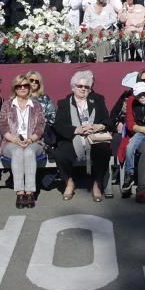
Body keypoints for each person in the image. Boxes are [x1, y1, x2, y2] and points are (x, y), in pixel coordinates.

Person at [53, 70, 111, 202]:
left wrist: (98, 126)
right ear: (73, 87)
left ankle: (97, 184)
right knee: (60, 154)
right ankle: (69, 182)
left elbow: (107, 121)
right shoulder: (64, 103)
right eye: (80, 86)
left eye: (86, 87)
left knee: (104, 150)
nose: (83, 89)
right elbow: (59, 125)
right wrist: (76, 129)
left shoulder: (98, 100)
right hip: (74, 137)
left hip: (94, 137)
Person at [0, 74, 45, 209]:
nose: (23, 88)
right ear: (15, 88)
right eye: (19, 86)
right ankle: (20, 192)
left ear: (30, 88)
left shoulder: (36, 105)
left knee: (29, 152)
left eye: (25, 85)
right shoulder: (7, 105)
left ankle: (30, 192)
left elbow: (40, 126)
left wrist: (30, 139)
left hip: (34, 141)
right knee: (18, 152)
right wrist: (15, 140)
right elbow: (3, 127)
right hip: (11, 142)